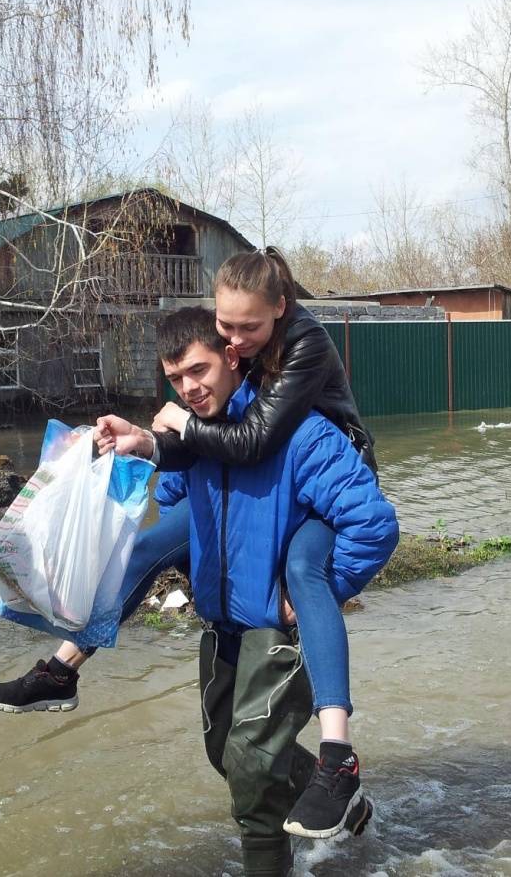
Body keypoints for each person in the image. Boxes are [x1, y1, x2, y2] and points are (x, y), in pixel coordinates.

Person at [0, 248, 382, 836]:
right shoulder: (220, 385)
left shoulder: (305, 356)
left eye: (244, 334)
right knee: (147, 552)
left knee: (302, 570)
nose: (238, 340)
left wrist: (182, 430)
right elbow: (182, 474)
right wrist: (141, 443)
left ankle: (336, 757)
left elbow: (258, 439)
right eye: (227, 327)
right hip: (230, 590)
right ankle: (63, 667)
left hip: (328, 469)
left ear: (279, 311)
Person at [149, 307, 398, 871]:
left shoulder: (300, 433)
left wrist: (315, 596)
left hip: (273, 631)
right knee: (226, 754)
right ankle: (348, 805)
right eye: (175, 378)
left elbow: (374, 525)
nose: (188, 388)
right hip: (222, 624)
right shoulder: (191, 434)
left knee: (255, 768)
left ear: (233, 357)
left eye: (198, 370)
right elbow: (171, 506)